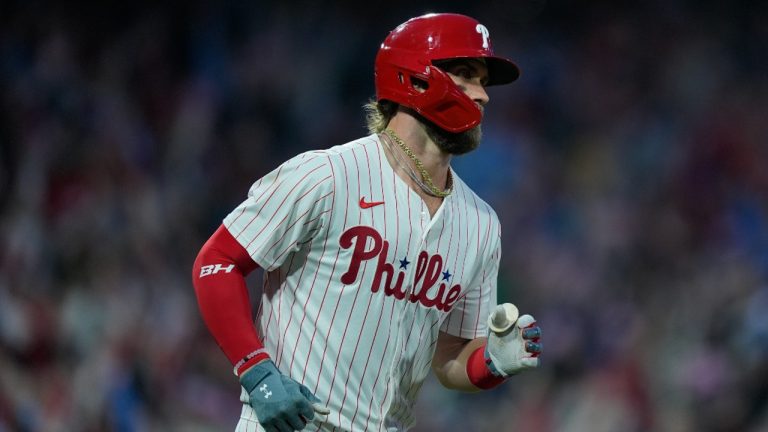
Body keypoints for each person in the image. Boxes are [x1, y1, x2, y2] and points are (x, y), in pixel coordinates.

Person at [192, 12, 543, 432]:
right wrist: (257, 371)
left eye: (484, 82)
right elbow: (217, 262)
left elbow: (450, 358)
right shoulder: (328, 175)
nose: (482, 95)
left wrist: (490, 362)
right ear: (414, 77)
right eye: (466, 74)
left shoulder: (482, 225)